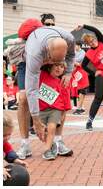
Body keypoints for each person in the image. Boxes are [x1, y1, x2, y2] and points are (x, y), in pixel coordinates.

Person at [16, 26, 75, 159]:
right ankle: (25, 144)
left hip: (51, 62)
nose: (53, 62)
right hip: (28, 63)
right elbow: (32, 90)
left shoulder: (69, 39)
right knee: (24, 97)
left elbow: (71, 55)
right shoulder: (34, 53)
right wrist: (36, 120)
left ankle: (58, 140)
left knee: (61, 96)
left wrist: (69, 72)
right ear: (48, 51)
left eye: (59, 61)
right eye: (53, 60)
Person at [75, 24, 103, 130]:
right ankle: (89, 121)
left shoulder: (102, 42)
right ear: (87, 44)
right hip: (102, 74)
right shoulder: (89, 53)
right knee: (98, 97)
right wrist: (94, 71)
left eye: (93, 39)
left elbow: (96, 30)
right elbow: (83, 65)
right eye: (90, 42)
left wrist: (84, 26)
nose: (93, 42)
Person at [39, 62, 72, 160]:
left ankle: (47, 150)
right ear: (49, 67)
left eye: (62, 67)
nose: (59, 68)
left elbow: (66, 99)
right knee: (42, 131)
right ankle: (52, 144)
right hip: (41, 110)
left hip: (55, 110)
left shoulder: (63, 81)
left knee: (52, 127)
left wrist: (63, 113)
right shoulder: (42, 75)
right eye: (56, 65)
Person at [3, 113, 30, 186]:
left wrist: (15, 160)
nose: (7, 138)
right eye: (4, 135)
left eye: (9, 134)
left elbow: (8, 152)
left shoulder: (4, 143)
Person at [71, 41, 89, 115]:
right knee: (76, 90)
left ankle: (80, 108)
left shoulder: (83, 53)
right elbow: (72, 60)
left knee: (82, 90)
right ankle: (79, 107)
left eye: (76, 45)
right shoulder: (74, 52)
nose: (75, 47)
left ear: (79, 46)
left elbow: (79, 62)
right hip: (75, 73)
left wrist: (76, 63)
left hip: (81, 72)